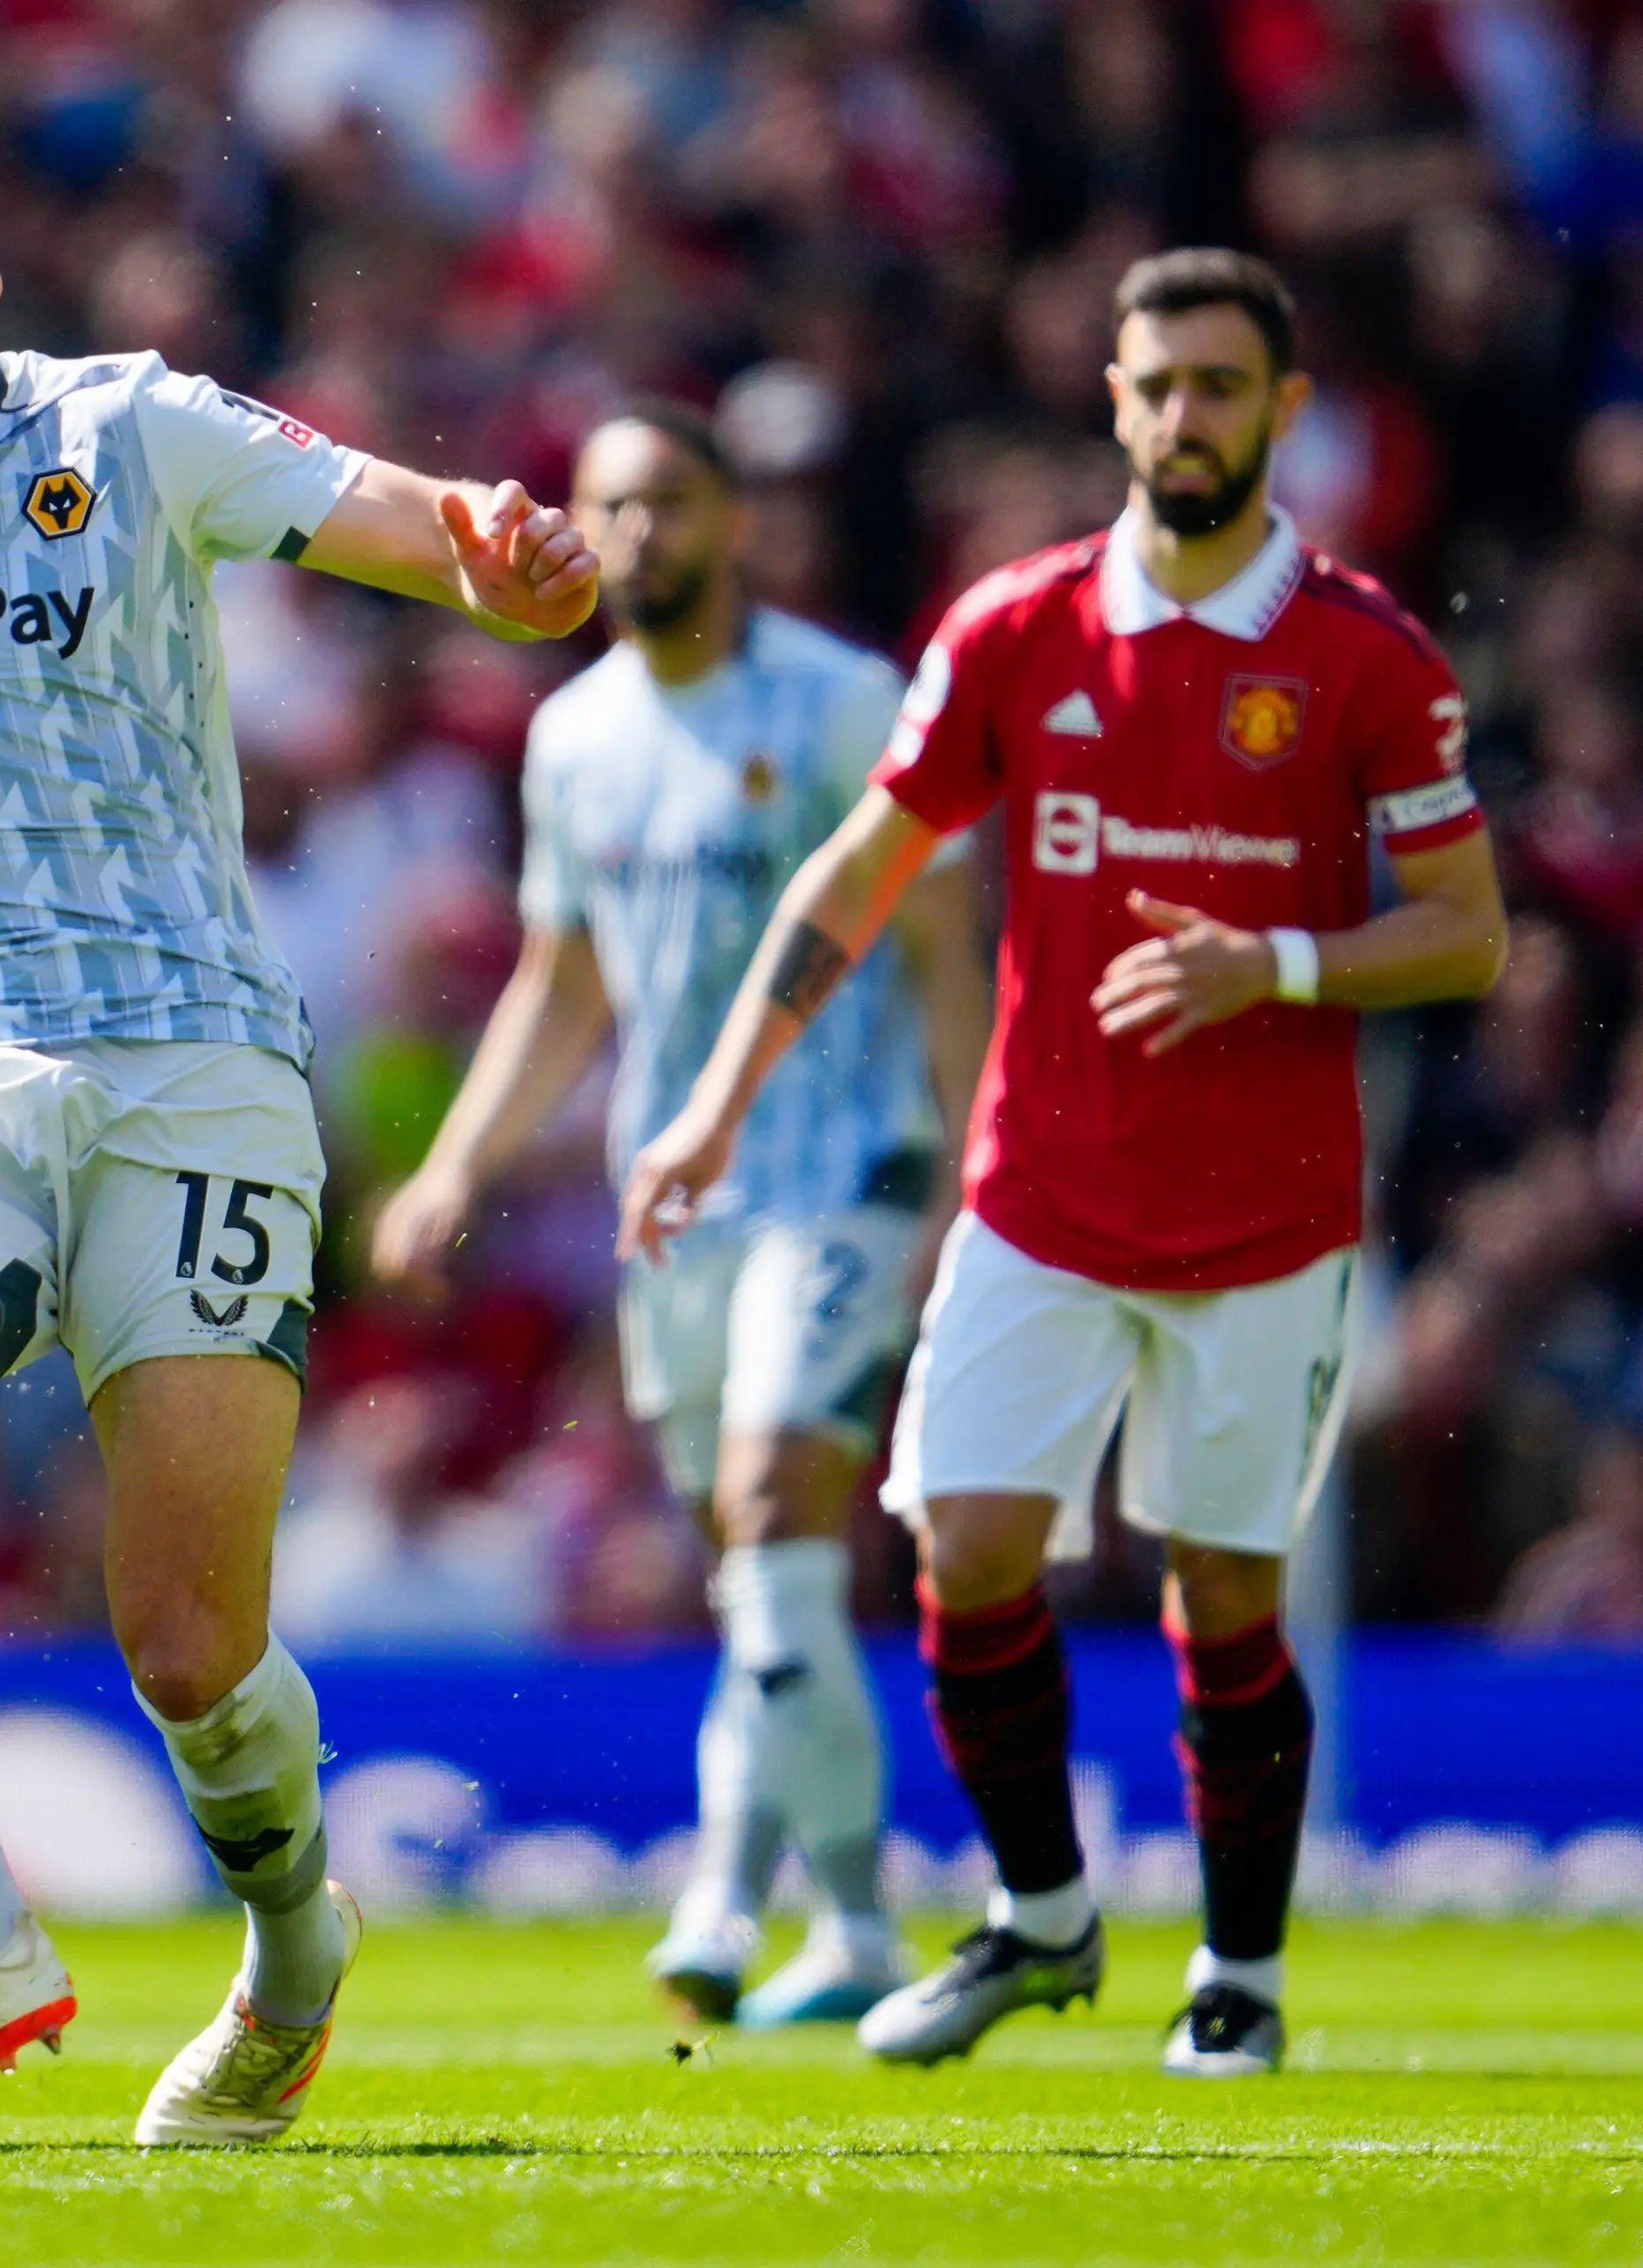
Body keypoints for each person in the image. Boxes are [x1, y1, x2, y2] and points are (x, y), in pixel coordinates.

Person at [0, 98, 597, 2149]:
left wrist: (507, 561)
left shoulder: (124, 434)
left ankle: (286, 1936)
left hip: (186, 1062)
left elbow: (400, 519)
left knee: (187, 1643)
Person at [620, 250, 1507, 2078]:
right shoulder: (1018, 627)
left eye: (1220, 386)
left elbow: (1471, 930)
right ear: (1112, 400)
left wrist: (1276, 961)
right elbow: (861, 866)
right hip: (1040, 1197)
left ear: (1283, 412)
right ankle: (1041, 1916)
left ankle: (1241, 1974)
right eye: (1155, 383)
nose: (1184, 415)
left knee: (1226, 1597)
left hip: (1265, 1222)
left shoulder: (1362, 654)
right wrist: (715, 1101)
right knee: (963, 1551)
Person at [369, 405, 990, 2028]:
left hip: (849, 1171)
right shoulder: (573, 738)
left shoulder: (846, 700)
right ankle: (852, 1919)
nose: (640, 534)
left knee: (775, 1502)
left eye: (670, 503)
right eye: (611, 506)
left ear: (735, 522)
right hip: (679, 1198)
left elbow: (941, 939)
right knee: (755, 1571)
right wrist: (458, 1163)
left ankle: (722, 1894)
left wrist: (968, 1170)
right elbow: (564, 981)